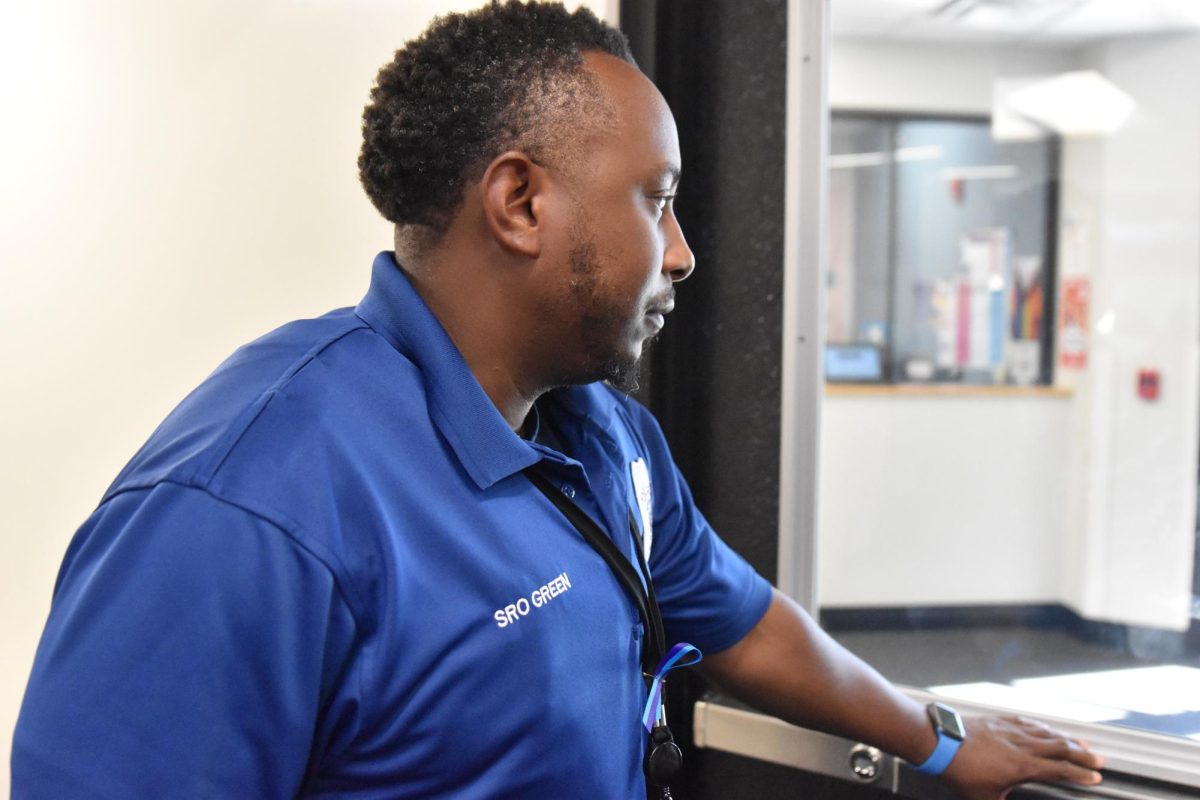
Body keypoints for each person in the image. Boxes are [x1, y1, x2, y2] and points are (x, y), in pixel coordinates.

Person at [12, 2, 1105, 798]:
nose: (682, 254)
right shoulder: (247, 506)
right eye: (657, 201)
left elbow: (748, 625)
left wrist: (944, 738)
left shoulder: (604, 437)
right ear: (521, 201)